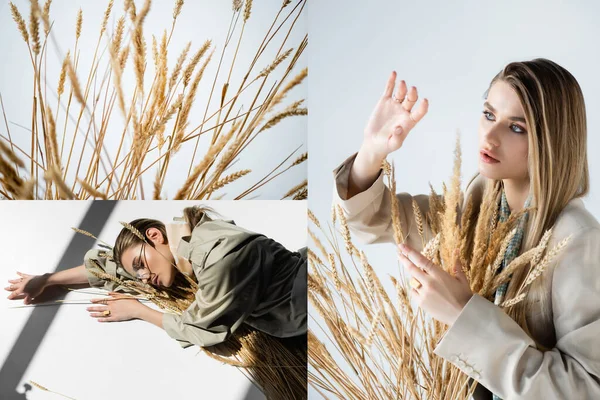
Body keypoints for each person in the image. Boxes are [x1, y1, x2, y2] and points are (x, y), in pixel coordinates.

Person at [331, 59, 600, 399]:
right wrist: (372, 151)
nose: (489, 136)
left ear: (552, 141)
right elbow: (373, 222)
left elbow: (585, 389)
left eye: (516, 127)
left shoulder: (578, 241)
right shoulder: (479, 200)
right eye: (489, 115)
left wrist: (463, 313)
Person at [5, 206, 307, 349]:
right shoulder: (184, 241)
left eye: (140, 264)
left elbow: (198, 327)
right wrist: (48, 279)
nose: (143, 277)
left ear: (154, 235)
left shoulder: (220, 259)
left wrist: (138, 310)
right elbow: (112, 267)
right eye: (137, 271)